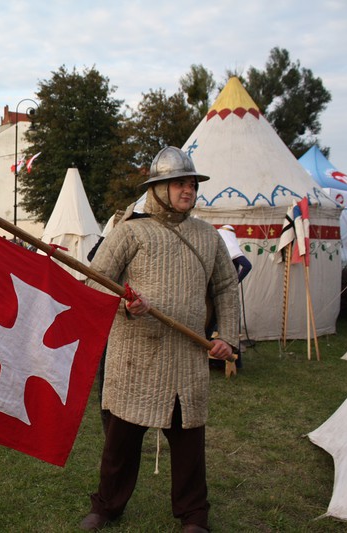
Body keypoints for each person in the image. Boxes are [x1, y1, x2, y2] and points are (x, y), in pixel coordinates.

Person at [80, 147, 240, 533]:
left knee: (189, 445)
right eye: (179, 183)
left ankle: (194, 515)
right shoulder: (128, 231)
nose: (188, 190)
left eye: (191, 183)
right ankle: (107, 507)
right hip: (136, 355)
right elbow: (95, 284)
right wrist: (124, 306)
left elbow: (226, 287)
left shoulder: (207, 236)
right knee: (121, 442)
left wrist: (227, 337)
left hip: (186, 358)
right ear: (158, 188)